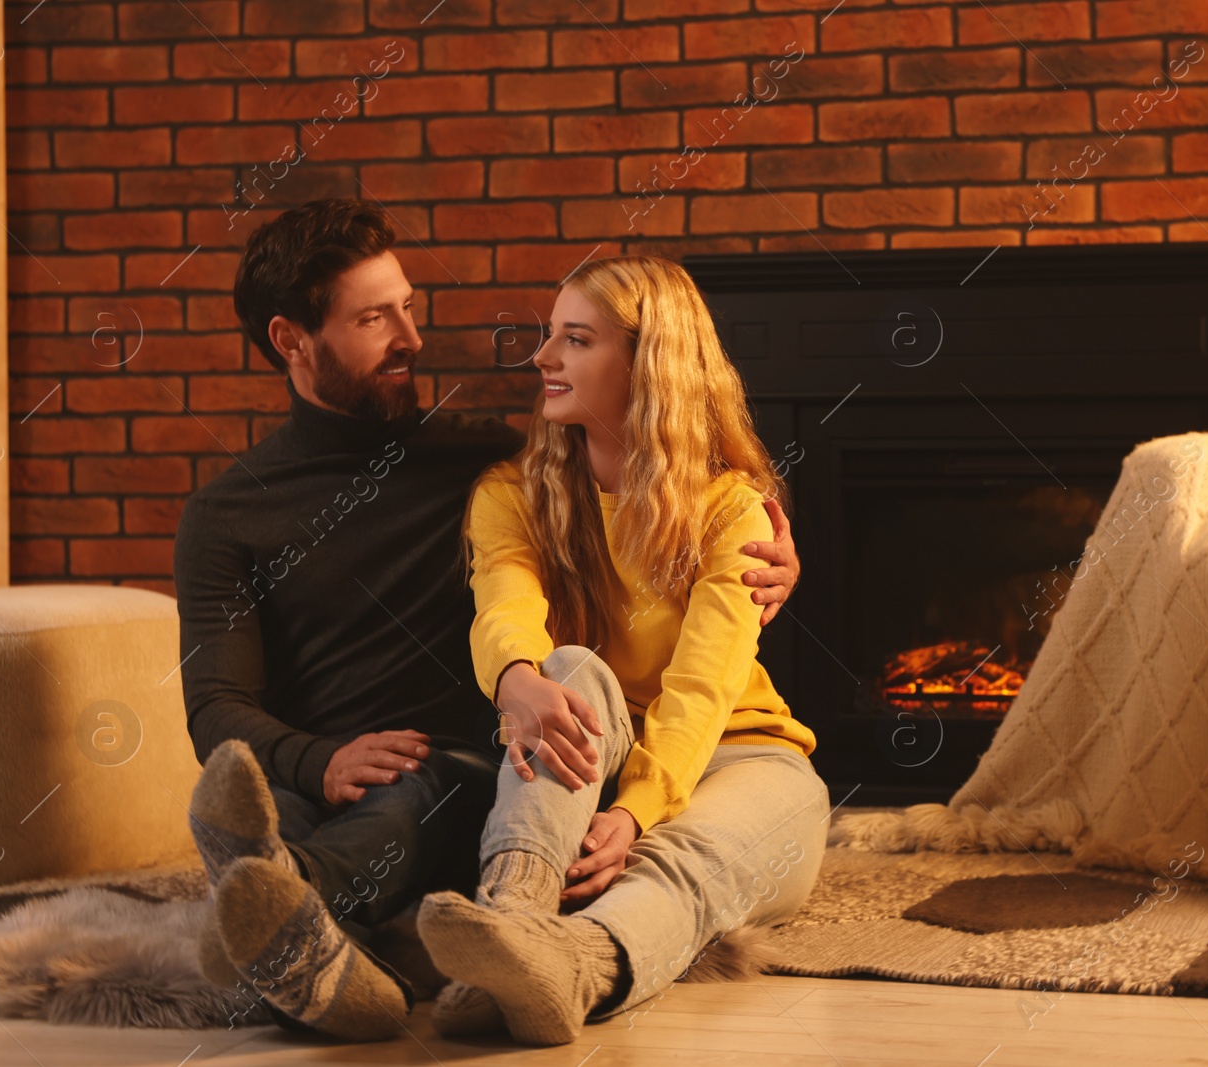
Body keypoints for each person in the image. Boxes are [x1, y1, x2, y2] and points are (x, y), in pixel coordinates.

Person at [173, 201, 804, 1040]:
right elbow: (215, 702)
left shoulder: (479, 461)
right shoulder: (228, 512)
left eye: (407, 306)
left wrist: (769, 556)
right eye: (374, 318)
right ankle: (323, 961)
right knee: (269, 811)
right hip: (345, 768)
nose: (411, 336)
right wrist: (321, 760)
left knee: (442, 776)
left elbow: (657, 581)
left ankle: (302, 916)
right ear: (292, 340)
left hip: (470, 767)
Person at [414, 254, 832, 1046]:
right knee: (565, 668)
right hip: (593, 756)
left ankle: (568, 967)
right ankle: (515, 913)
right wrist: (515, 681)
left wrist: (637, 811)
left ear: (649, 366)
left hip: (742, 757)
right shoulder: (511, 493)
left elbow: (703, 691)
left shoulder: (732, 509)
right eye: (550, 336)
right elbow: (503, 603)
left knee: (679, 853)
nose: (543, 358)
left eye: (575, 339)